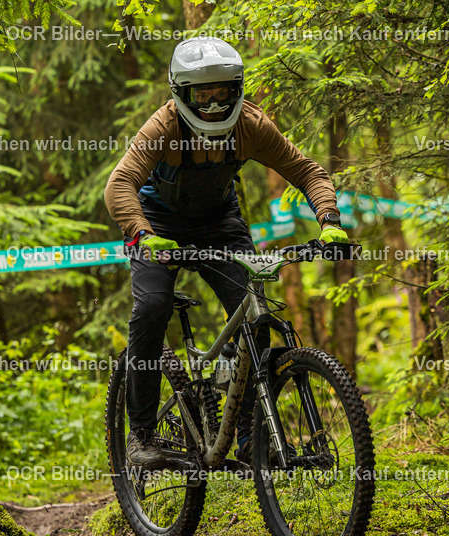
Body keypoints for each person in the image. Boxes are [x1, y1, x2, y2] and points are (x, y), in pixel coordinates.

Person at [103, 37, 348, 469]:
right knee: (153, 308)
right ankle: (141, 436)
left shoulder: (252, 125)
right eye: (203, 94)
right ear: (181, 94)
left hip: (219, 223)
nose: (214, 104)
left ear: (236, 90)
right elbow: (119, 184)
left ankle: (254, 440)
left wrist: (329, 221)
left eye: (223, 93)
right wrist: (141, 233)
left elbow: (307, 171)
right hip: (158, 225)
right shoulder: (162, 127)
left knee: (253, 317)